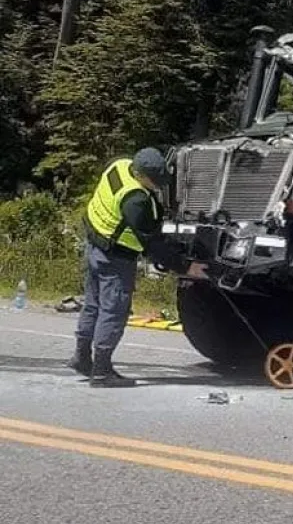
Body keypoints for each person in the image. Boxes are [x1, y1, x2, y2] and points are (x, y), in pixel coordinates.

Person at [68, 148, 208, 387]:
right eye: (155, 181)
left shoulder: (119, 165)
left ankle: (81, 358)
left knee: (92, 305)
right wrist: (186, 267)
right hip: (115, 257)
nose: (157, 185)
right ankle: (101, 372)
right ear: (141, 175)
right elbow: (152, 244)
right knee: (113, 311)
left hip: (93, 245)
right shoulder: (136, 200)